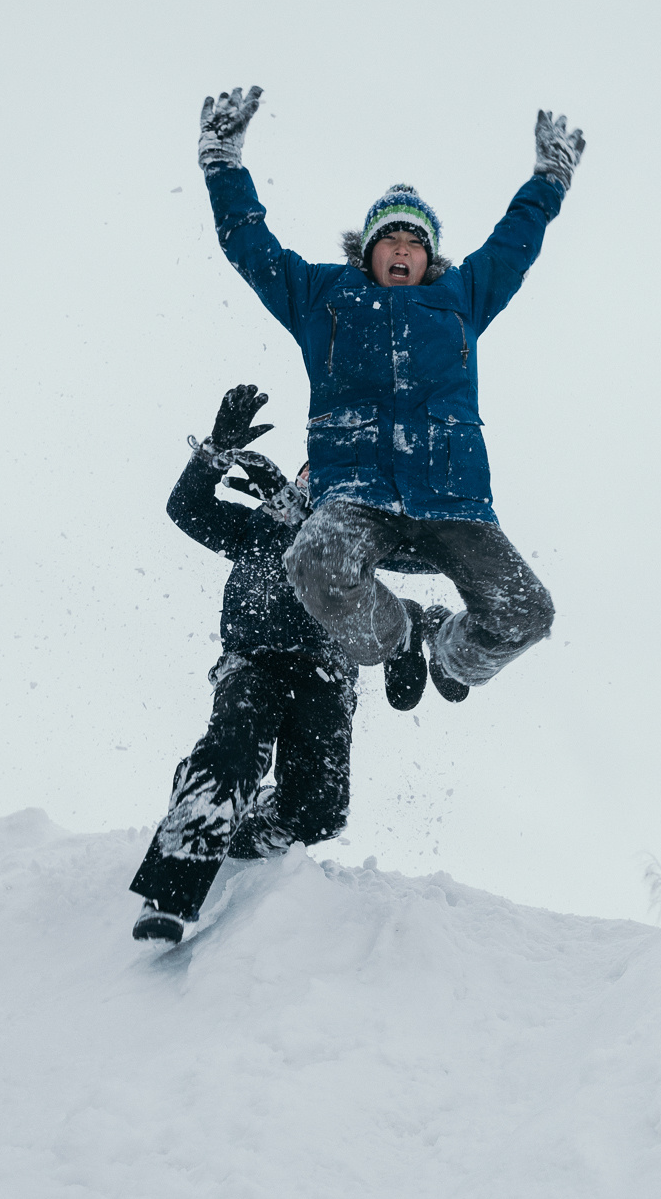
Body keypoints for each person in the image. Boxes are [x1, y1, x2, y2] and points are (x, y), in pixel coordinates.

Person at [193, 85, 584, 710]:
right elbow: (250, 244)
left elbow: (514, 244)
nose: (402, 249)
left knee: (529, 614)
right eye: (389, 239)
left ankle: (450, 652)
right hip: (358, 498)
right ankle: (398, 635)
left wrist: (550, 180)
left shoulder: (461, 297)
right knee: (313, 558)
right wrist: (222, 162)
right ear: (367, 250)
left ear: (429, 255)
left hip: (452, 502)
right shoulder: (321, 298)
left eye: (415, 241)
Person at [127, 384, 408, 942]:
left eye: (325, 482)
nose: (309, 484)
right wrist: (214, 453)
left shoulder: (360, 542)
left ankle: (231, 819)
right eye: (307, 474)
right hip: (255, 660)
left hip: (328, 675)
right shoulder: (257, 527)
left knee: (321, 811)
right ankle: (172, 888)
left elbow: (394, 584)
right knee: (233, 752)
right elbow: (185, 510)